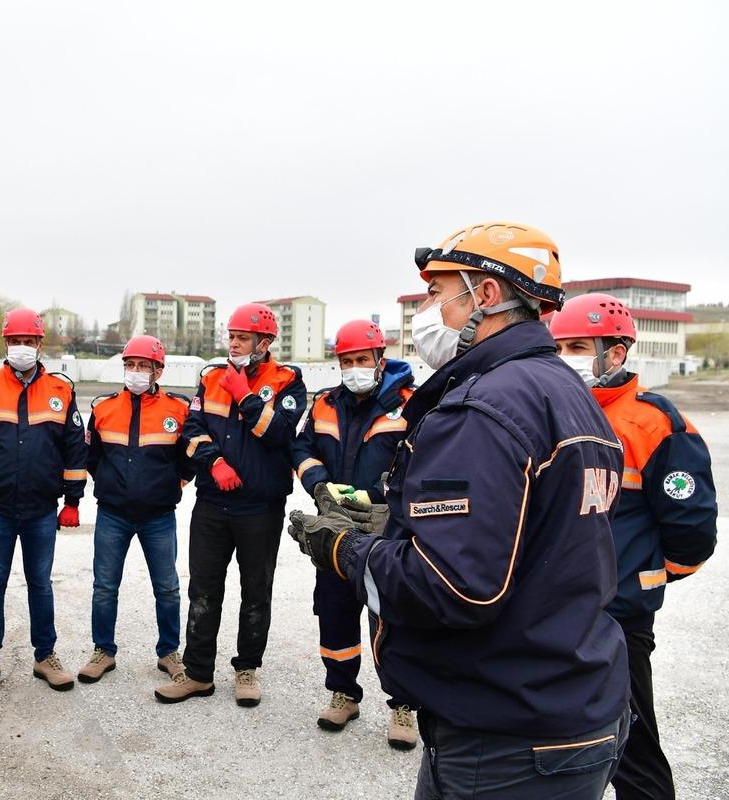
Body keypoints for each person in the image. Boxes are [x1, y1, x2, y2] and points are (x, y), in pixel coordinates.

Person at [288, 222, 631, 799]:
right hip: (567, 700)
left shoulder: (484, 405)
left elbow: (454, 586)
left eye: (436, 291)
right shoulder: (565, 392)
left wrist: (345, 550)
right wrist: (397, 525)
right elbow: (530, 535)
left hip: (506, 732)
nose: (428, 308)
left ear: (486, 295)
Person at [551, 293, 718, 800]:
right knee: (561, 739)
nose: (565, 358)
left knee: (633, 746)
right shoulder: (556, 411)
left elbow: (691, 529)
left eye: (578, 346)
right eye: (557, 347)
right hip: (556, 610)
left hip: (618, 616)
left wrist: (644, 575)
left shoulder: (653, 423)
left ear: (616, 353)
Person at [156, 302, 306, 707]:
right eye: (232, 336)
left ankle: (246, 670)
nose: (235, 344)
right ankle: (199, 673)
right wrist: (215, 462)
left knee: (256, 591)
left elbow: (279, 435)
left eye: (242, 338)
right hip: (212, 503)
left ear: (265, 342)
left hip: (260, 507)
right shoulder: (212, 377)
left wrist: (245, 397)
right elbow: (192, 427)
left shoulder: (289, 381)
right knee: (203, 590)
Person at [290, 319, 418, 748]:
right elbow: (302, 447)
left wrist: (375, 495)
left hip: (388, 530)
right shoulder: (325, 403)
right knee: (334, 610)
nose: (354, 368)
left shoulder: (410, 406)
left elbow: (419, 465)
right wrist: (319, 484)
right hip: (334, 527)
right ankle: (343, 692)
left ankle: (404, 704)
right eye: (346, 361)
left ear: (380, 360)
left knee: (393, 618)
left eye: (362, 359)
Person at [0, 307, 88, 695]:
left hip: (41, 508)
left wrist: (73, 500)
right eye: (15, 341)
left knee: (40, 583)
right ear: (5, 343)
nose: (22, 348)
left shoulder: (61, 389)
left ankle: (45, 656)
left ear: (40, 344)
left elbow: (75, 449)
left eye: (28, 341)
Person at [77, 335, 191, 684]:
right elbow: (92, 458)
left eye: (143, 366)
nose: (136, 371)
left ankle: (169, 652)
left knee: (168, 587)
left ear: (158, 370)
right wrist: (111, 486)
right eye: (130, 365)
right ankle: (103, 651)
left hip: (158, 515)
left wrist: (173, 485)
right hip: (113, 514)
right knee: (105, 586)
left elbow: (190, 457)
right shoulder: (103, 407)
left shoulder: (178, 409)